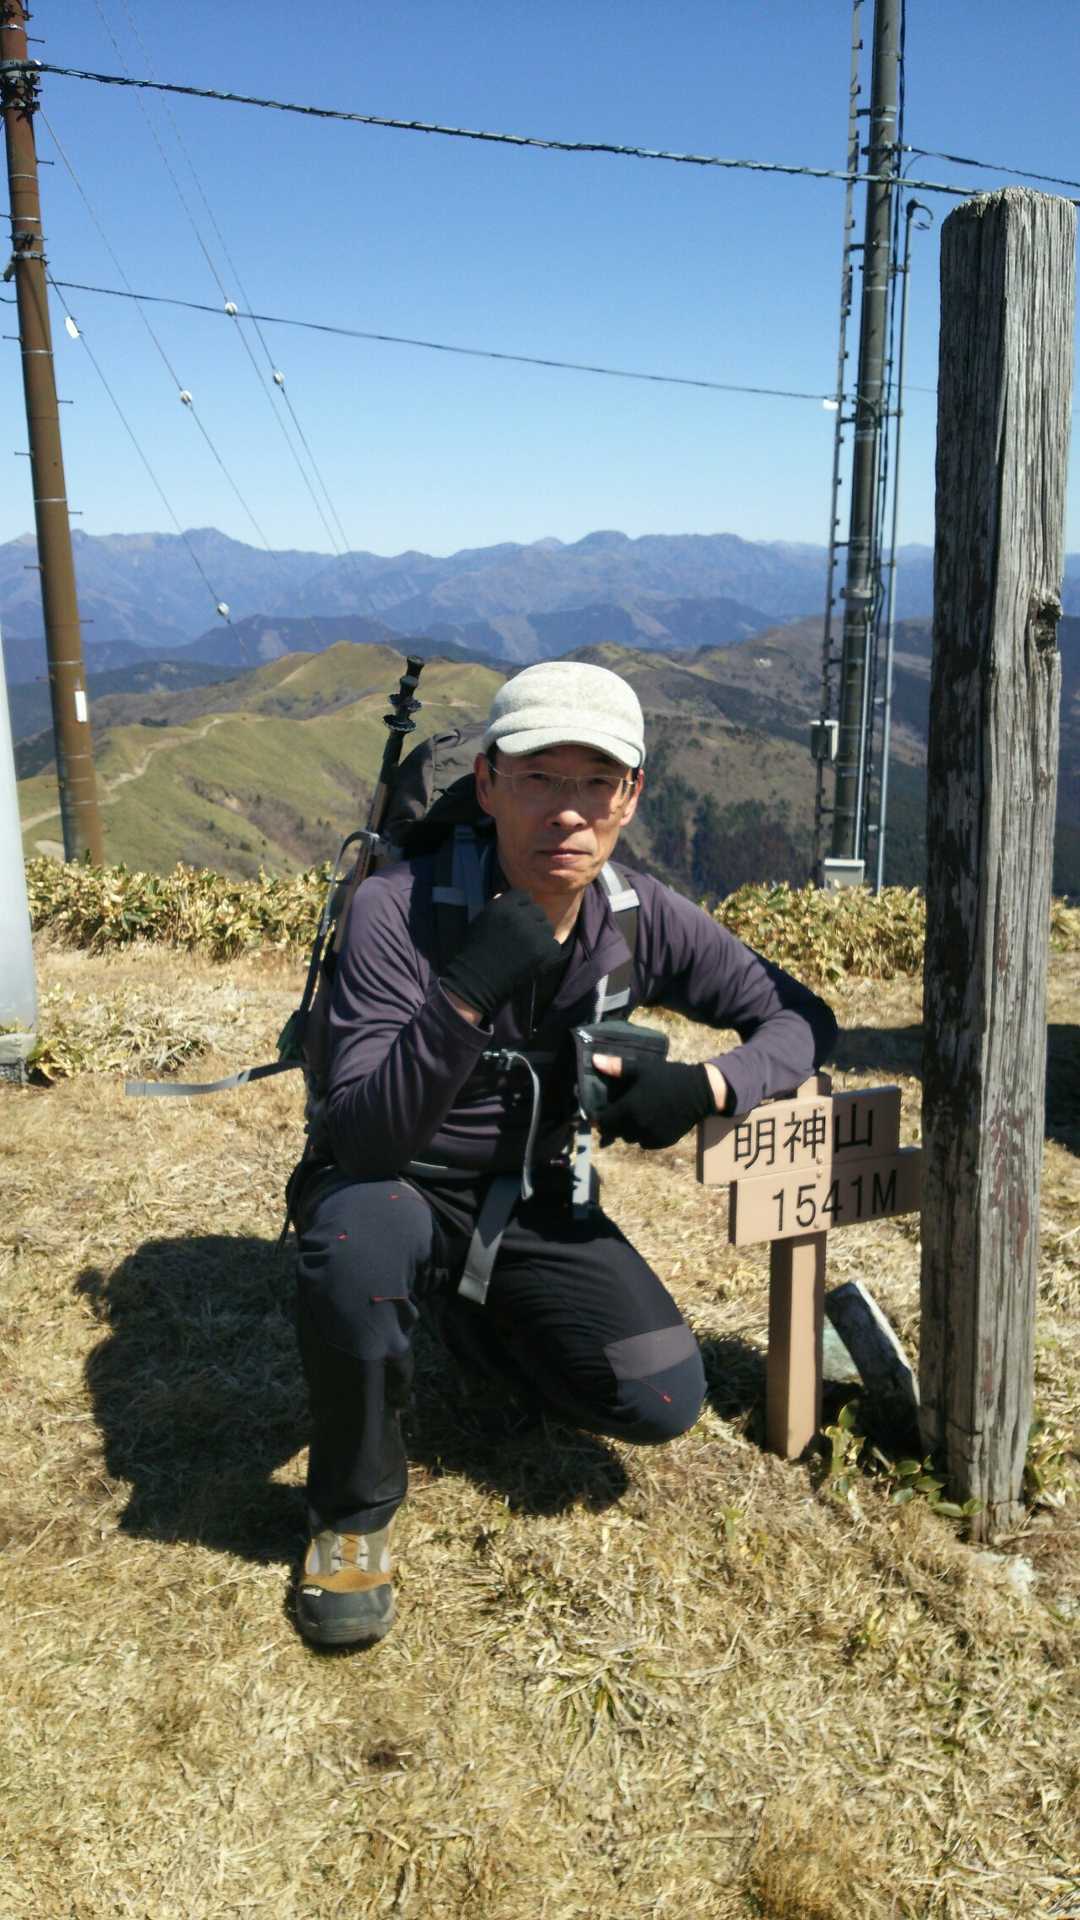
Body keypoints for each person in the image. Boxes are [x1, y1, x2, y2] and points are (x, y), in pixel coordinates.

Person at [291, 660, 837, 1646]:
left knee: (660, 1398)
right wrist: (468, 991)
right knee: (357, 1247)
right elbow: (364, 1140)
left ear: (632, 794)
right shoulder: (398, 909)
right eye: (540, 778)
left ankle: (471, 1325)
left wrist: (709, 1088)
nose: (569, 812)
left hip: (530, 1195)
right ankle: (352, 1516)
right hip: (395, 1182)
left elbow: (800, 1017)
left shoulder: (634, 913)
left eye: (597, 782)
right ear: (489, 783)